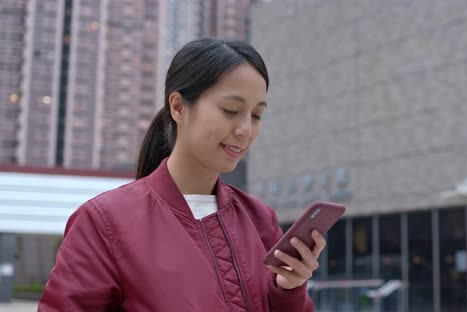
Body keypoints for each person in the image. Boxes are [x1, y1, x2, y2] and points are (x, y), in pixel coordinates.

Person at [38, 38, 323, 311]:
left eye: (256, 115)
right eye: (231, 110)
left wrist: (289, 290)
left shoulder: (261, 220)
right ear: (178, 107)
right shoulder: (104, 222)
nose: (245, 130)